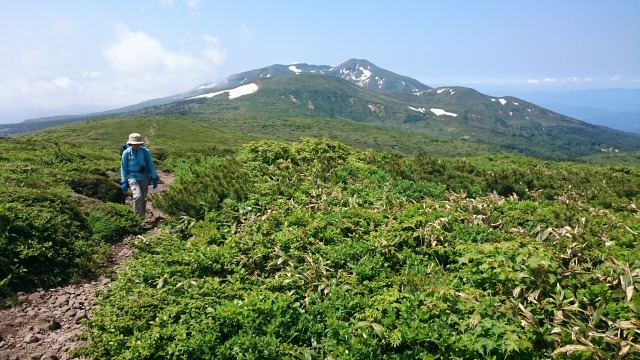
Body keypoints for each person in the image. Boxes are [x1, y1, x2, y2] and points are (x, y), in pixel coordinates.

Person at [121, 133, 158, 218]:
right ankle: (137, 218)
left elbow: (151, 165)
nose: (136, 145)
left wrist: (154, 177)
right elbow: (123, 167)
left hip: (144, 177)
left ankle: (142, 217)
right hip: (132, 177)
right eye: (134, 144)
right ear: (130, 143)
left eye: (138, 143)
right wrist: (123, 180)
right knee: (138, 196)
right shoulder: (126, 152)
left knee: (144, 198)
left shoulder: (145, 152)